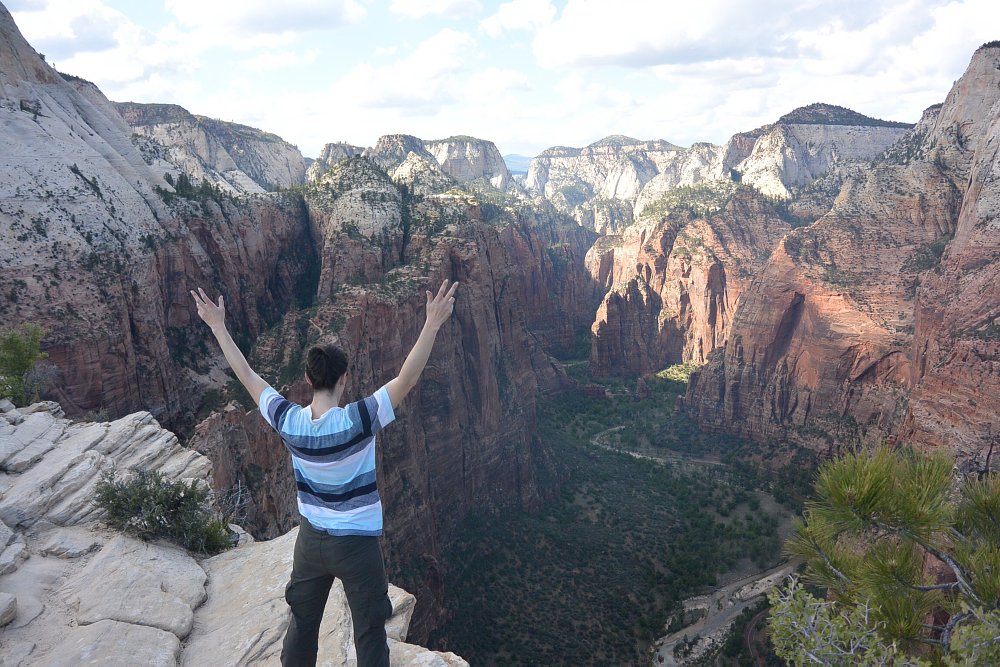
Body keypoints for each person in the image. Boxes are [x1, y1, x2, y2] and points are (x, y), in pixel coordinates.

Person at [191, 279, 459, 667]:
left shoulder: (289, 423)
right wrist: (431, 324)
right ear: (343, 379)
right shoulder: (359, 419)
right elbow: (407, 378)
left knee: (302, 623)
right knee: (369, 630)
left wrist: (218, 326)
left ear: (308, 379)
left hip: (311, 543)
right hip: (358, 547)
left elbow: (248, 377)